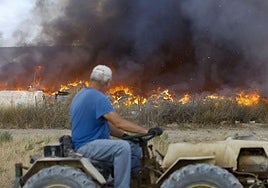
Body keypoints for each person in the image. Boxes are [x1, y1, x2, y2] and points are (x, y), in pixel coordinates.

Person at [70, 65, 148, 188]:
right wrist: (145, 131)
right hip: (87, 145)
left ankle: (133, 180)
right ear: (107, 83)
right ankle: (122, 186)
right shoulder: (98, 97)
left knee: (133, 147)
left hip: (86, 143)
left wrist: (126, 136)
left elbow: (107, 126)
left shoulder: (81, 94)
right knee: (122, 148)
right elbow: (118, 122)